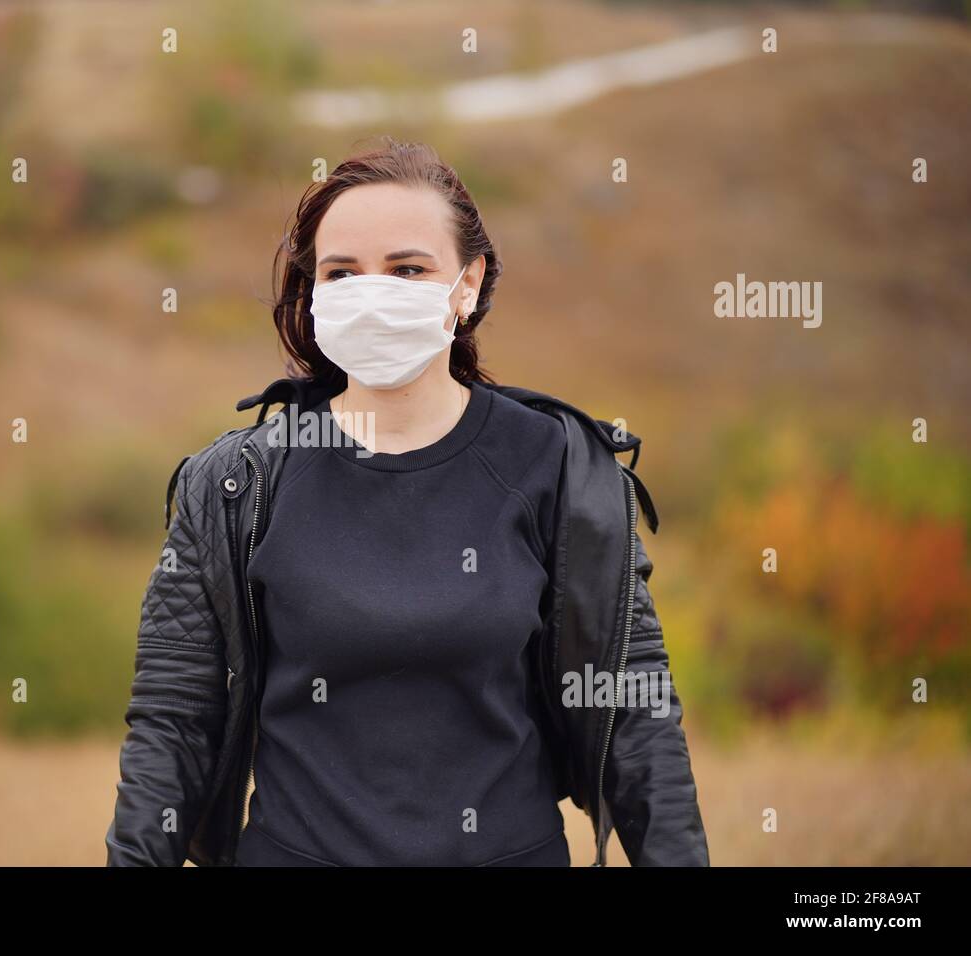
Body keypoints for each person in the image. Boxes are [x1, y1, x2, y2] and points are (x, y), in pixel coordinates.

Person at [105, 136, 709, 867]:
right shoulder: (237, 485)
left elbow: (638, 721)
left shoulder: (560, 472)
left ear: (468, 282)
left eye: (407, 268)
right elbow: (173, 727)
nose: (373, 291)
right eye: (342, 272)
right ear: (314, 293)